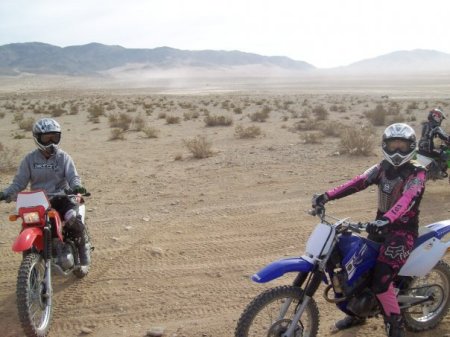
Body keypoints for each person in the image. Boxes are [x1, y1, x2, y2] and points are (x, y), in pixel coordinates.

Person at [312, 123, 426, 337]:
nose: (398, 151)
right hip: (379, 229)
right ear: (385, 145)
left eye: (403, 146)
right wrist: (327, 195)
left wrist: (388, 219)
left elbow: (407, 200)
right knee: (352, 268)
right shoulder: (382, 168)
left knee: (381, 281)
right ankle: (358, 313)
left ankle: (395, 328)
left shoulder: (417, 173)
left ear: (411, 146)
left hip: (402, 234)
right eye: (393, 145)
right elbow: (358, 182)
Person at [0, 118, 91, 266]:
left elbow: (73, 177)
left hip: (61, 198)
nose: (51, 143)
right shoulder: (29, 160)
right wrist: (5, 193)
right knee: (28, 224)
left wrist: (76, 187)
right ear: (37, 138)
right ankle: (34, 258)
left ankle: (83, 251)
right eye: (46, 138)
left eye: (54, 138)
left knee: (72, 219)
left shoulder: (63, 158)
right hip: (38, 202)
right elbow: (19, 183)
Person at [418, 108, 450, 177]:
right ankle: (438, 172)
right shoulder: (436, 127)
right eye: (440, 118)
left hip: (421, 148)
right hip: (428, 149)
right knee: (445, 154)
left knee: (441, 148)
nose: (441, 120)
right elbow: (445, 136)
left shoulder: (425, 125)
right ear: (436, 117)